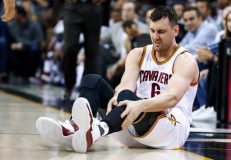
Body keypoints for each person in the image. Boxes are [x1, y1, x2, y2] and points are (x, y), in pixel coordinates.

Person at [36, 6, 199, 153]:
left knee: (127, 98)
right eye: (152, 31)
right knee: (93, 81)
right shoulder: (138, 53)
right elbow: (125, 85)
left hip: (170, 130)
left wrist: (138, 104)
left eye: (161, 32)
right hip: (132, 125)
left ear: (175, 30)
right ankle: (75, 130)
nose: (155, 36)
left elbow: (171, 98)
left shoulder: (185, 60)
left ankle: (95, 130)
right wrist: (115, 97)